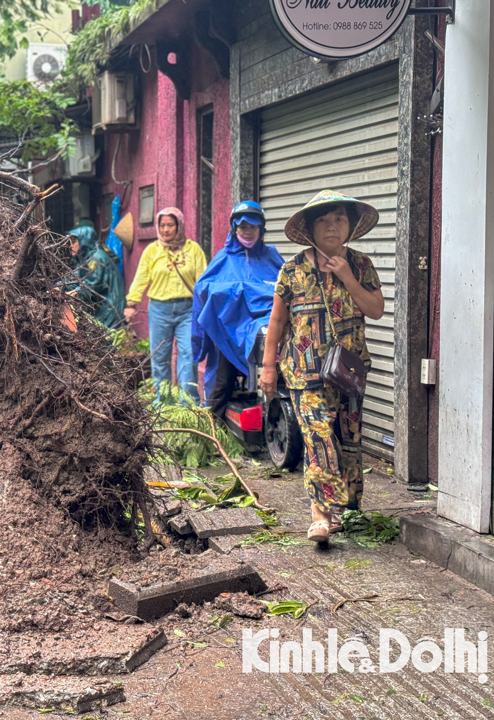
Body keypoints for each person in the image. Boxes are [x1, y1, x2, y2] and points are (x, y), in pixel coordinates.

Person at [259, 190, 385, 544]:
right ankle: (321, 516)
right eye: (323, 221)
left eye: (339, 220)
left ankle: (348, 510)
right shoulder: (293, 270)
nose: (332, 227)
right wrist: (269, 367)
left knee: (347, 439)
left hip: (349, 372)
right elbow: (277, 321)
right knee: (318, 437)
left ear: (350, 226)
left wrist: (347, 277)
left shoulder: (360, 266)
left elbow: (375, 309)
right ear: (310, 228)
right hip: (304, 372)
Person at [191, 201, 284, 421]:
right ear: (234, 228)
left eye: (253, 227)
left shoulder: (271, 255)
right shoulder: (224, 257)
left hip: (269, 330)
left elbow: (288, 285)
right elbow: (202, 289)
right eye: (242, 227)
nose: (248, 232)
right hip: (231, 332)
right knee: (223, 380)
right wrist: (235, 291)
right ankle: (213, 430)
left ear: (261, 229)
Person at [124, 207, 208, 402]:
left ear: (179, 226)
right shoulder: (152, 250)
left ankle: (188, 404)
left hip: (187, 310)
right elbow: (141, 277)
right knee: (160, 358)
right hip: (159, 311)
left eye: (170, 225)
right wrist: (131, 303)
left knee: (189, 356)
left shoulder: (193, 249)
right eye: (162, 225)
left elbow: (203, 280)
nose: (166, 229)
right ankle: (164, 403)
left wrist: (205, 306)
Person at [67, 223, 126, 329]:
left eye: (74, 241)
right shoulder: (85, 259)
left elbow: (92, 286)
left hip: (109, 308)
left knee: (108, 340)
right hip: (101, 307)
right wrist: (59, 286)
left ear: (84, 240)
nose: (71, 245)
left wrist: (74, 292)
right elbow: (73, 279)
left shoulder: (97, 258)